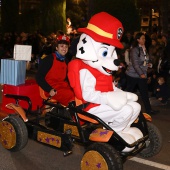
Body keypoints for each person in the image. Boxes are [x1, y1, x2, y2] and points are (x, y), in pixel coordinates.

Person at [36, 35, 75, 106]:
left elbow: (68, 78)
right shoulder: (49, 59)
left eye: (66, 46)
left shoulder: (66, 61)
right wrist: (49, 89)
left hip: (63, 86)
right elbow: (39, 77)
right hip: (52, 89)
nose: (64, 48)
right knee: (71, 97)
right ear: (56, 47)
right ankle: (73, 115)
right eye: (62, 46)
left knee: (79, 94)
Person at [125, 32, 158, 115]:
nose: (144, 40)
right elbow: (135, 64)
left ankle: (149, 110)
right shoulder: (134, 49)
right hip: (132, 75)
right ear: (138, 40)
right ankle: (122, 108)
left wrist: (149, 64)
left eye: (144, 38)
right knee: (129, 93)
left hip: (142, 74)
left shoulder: (144, 48)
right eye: (142, 38)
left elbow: (144, 61)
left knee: (144, 93)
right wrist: (141, 74)